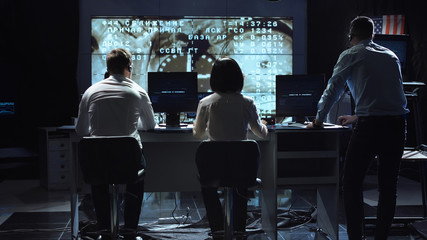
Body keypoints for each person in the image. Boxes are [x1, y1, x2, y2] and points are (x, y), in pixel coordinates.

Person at [307, 16, 408, 240]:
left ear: (351, 36)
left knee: (351, 184)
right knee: (388, 186)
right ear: (373, 35)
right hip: (397, 124)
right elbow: (388, 96)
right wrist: (355, 116)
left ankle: (356, 237)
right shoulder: (391, 56)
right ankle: (381, 237)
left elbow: (333, 89)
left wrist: (318, 120)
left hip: (371, 127)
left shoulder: (351, 54)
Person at [76, 48, 156, 240]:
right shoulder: (138, 91)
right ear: (129, 68)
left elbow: (80, 131)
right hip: (128, 162)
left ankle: (104, 228)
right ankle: (130, 229)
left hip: (96, 163)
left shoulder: (91, 91)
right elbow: (150, 125)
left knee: (99, 177)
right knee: (135, 179)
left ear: (108, 68)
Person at [193, 57, 268, 239]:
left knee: (208, 184)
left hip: (213, 169)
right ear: (239, 79)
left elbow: (198, 134)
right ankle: (239, 230)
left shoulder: (206, 103)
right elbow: (262, 134)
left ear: (213, 79)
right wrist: (262, 124)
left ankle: (218, 228)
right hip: (242, 168)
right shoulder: (247, 102)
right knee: (240, 181)